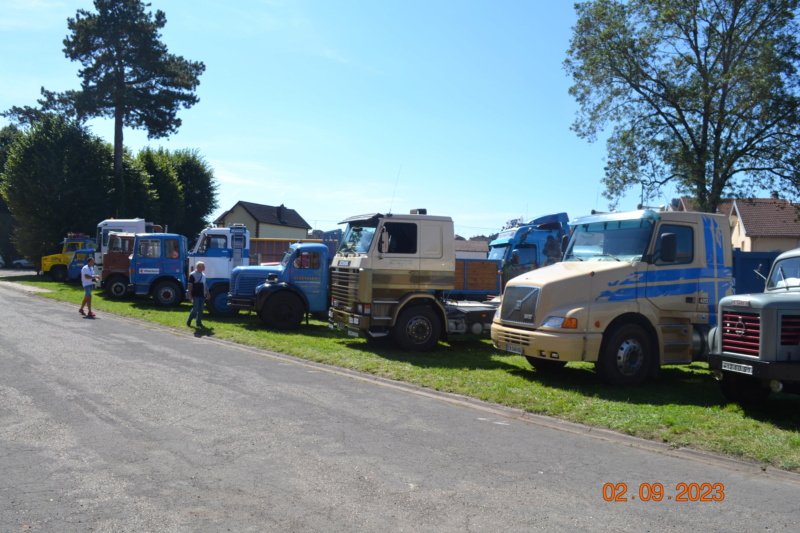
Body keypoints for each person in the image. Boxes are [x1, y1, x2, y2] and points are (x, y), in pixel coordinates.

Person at [187, 261, 210, 328]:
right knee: (196, 308)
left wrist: (208, 294)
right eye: (203, 266)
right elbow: (189, 285)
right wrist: (190, 295)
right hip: (195, 295)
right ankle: (189, 320)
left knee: (201, 309)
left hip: (202, 295)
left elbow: (205, 285)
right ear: (199, 267)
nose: (204, 268)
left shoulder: (203, 275)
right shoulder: (193, 274)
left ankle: (199, 322)